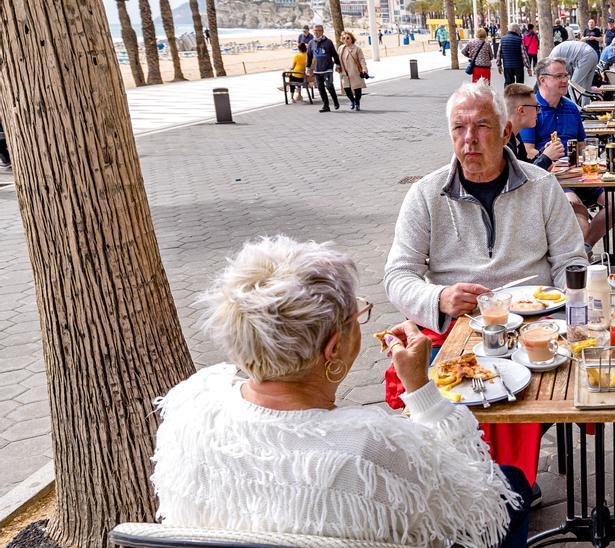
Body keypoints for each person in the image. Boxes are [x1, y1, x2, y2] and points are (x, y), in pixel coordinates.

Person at [151, 235, 530, 548]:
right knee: (511, 483)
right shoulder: (368, 447)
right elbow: (482, 507)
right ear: (333, 349)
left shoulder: (191, 400)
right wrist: (421, 390)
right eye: (358, 315)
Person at [384, 84, 588, 501]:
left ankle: (498, 489)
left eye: (481, 126)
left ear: (506, 130)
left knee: (525, 383)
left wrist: (567, 304)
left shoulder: (542, 185)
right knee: (466, 383)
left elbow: (572, 260)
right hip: (457, 326)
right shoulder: (426, 194)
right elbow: (398, 275)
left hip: (535, 324)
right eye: (459, 127)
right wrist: (438, 297)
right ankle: (485, 485)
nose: (469, 139)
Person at [522, 57, 615, 250]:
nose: (565, 80)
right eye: (559, 76)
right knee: (575, 209)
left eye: (566, 75)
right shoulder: (533, 108)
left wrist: (589, 159)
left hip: (578, 174)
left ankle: (585, 248)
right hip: (553, 178)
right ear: (542, 80)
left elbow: (582, 146)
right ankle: (577, 259)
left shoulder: (571, 108)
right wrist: (547, 154)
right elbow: (528, 151)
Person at [504, 82, 564, 170]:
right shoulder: (504, 141)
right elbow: (524, 177)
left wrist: (543, 153)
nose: (538, 111)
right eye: (536, 107)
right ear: (521, 110)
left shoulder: (515, 135)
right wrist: (546, 157)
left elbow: (526, 166)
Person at [305, 24, 342, 112]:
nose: (316, 32)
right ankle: (326, 106)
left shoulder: (328, 42)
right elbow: (309, 56)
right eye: (315, 30)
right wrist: (307, 67)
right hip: (317, 70)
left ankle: (335, 101)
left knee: (329, 85)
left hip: (327, 68)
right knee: (321, 88)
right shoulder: (311, 43)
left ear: (322, 32)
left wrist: (337, 65)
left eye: (318, 30)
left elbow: (334, 54)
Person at [336, 31, 368, 111]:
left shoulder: (357, 49)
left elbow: (362, 60)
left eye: (347, 38)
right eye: (343, 38)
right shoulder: (340, 48)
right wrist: (337, 66)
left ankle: (357, 103)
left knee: (357, 90)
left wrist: (364, 70)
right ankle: (352, 101)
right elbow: (337, 59)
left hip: (355, 72)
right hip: (344, 73)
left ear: (351, 39)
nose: (345, 40)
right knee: (346, 89)